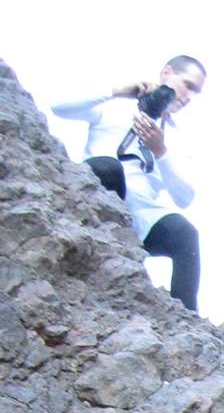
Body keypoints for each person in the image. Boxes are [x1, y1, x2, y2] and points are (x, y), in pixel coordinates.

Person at [52, 55, 206, 312]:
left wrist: (160, 151)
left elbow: (185, 197)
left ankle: (187, 317)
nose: (189, 96)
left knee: (185, 234)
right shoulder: (116, 106)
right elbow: (59, 107)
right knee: (109, 167)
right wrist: (117, 91)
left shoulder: (177, 137)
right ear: (167, 73)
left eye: (196, 92)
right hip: (97, 194)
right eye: (187, 85)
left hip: (139, 215)